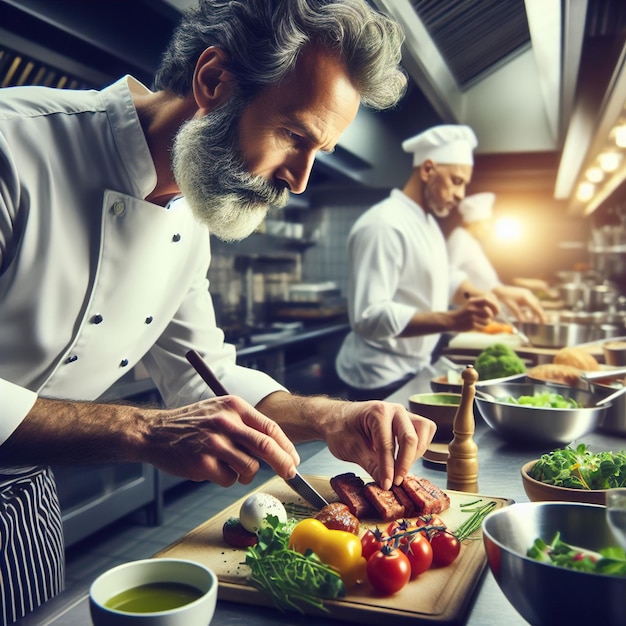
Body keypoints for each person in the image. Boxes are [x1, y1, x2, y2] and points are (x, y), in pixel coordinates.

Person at [0, 1, 438, 622]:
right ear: (213, 81)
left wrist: (334, 417)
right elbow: (167, 413)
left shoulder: (189, 210)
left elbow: (199, 371)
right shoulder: (12, 148)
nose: (303, 179)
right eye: (294, 135)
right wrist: (143, 431)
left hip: (23, 500)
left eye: (321, 150)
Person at [335, 124, 545, 401]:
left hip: (413, 368)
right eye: (457, 181)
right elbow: (368, 317)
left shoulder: (429, 224)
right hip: (379, 376)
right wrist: (451, 319)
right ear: (427, 170)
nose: (460, 195)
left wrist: (495, 293)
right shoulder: (383, 225)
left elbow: (445, 278)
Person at [443, 192, 548, 320]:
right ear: (474, 222)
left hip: (486, 309)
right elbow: (448, 275)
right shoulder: (460, 237)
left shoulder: (472, 241)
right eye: (486, 223)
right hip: (465, 312)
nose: (488, 228)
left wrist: (501, 293)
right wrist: (497, 293)